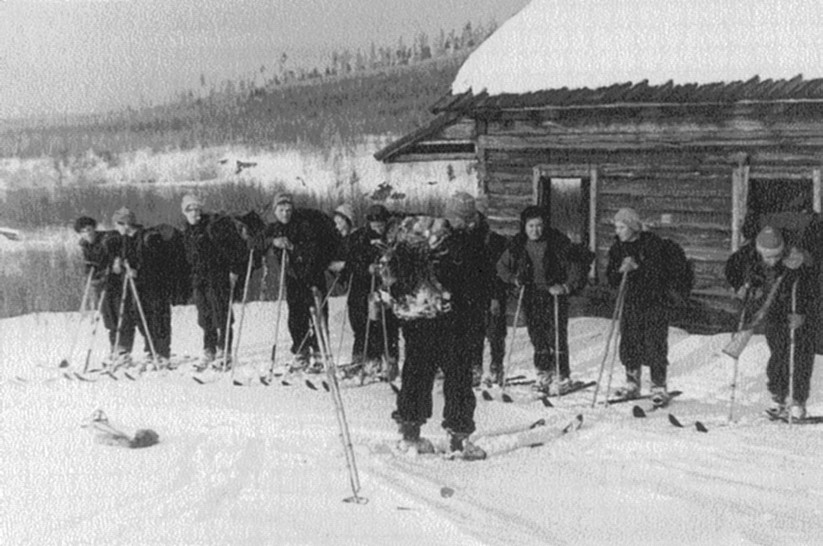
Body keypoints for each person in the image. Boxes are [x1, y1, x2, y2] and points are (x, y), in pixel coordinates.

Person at [386, 194, 488, 460]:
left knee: (416, 373)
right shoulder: (456, 242)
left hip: (415, 317)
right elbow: (466, 284)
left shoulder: (417, 236)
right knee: (458, 378)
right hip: (450, 321)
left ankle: (410, 435)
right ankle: (458, 439)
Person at [725, 225, 816, 420]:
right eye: (768, 257)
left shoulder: (795, 258)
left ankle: (798, 402)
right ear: (759, 251)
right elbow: (731, 268)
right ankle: (779, 398)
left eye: (776, 256)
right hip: (772, 310)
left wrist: (803, 315)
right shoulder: (748, 255)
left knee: (799, 356)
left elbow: (814, 288)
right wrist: (738, 286)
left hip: (796, 312)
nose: (773, 261)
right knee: (778, 353)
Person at [497, 206, 587, 394]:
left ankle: (562, 375)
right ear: (524, 226)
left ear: (545, 226)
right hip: (530, 294)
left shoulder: (558, 242)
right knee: (537, 336)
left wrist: (565, 287)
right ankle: (543, 372)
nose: (535, 230)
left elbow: (575, 267)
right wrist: (514, 280)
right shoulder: (517, 244)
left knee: (556, 336)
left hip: (554, 295)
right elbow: (502, 267)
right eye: (531, 226)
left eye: (539, 226)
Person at [605, 208, 672, 406]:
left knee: (654, 341)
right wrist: (619, 271)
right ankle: (632, 382)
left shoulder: (652, 245)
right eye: (616, 227)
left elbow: (661, 273)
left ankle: (658, 385)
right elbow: (610, 278)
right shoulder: (617, 248)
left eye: (622, 227)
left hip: (654, 302)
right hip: (630, 301)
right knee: (630, 340)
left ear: (633, 227)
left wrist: (638, 267)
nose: (618, 231)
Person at [264, 192, 338, 369]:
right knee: (296, 317)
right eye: (281, 210)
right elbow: (256, 242)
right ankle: (301, 353)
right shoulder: (275, 228)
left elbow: (312, 251)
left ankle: (321, 353)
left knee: (318, 315)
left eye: (288, 210)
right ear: (275, 211)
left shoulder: (304, 225)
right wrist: (273, 242)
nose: (285, 214)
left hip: (312, 276)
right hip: (293, 279)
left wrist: (292, 248)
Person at [180, 195, 244, 368]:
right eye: (189, 210)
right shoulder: (187, 231)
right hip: (199, 279)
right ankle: (209, 348)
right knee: (205, 316)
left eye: (196, 209)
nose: (194, 213)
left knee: (221, 314)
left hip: (218, 276)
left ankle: (225, 350)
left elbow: (231, 249)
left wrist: (234, 270)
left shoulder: (212, 227)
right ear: (184, 213)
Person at [341, 204, 399, 379]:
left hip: (385, 286)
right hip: (361, 287)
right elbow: (351, 262)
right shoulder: (358, 237)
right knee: (362, 324)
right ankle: (364, 359)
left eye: (382, 223)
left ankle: (390, 360)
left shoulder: (393, 237)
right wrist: (367, 267)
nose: (379, 227)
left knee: (388, 324)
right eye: (375, 224)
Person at [74, 216, 118, 350]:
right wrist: (90, 273)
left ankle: (122, 350)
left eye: (89, 229)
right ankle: (114, 348)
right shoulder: (84, 244)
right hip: (100, 283)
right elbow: (89, 263)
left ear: (94, 228)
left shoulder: (106, 240)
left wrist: (109, 268)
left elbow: (114, 256)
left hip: (115, 282)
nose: (87, 234)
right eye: (83, 231)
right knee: (108, 317)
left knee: (119, 315)